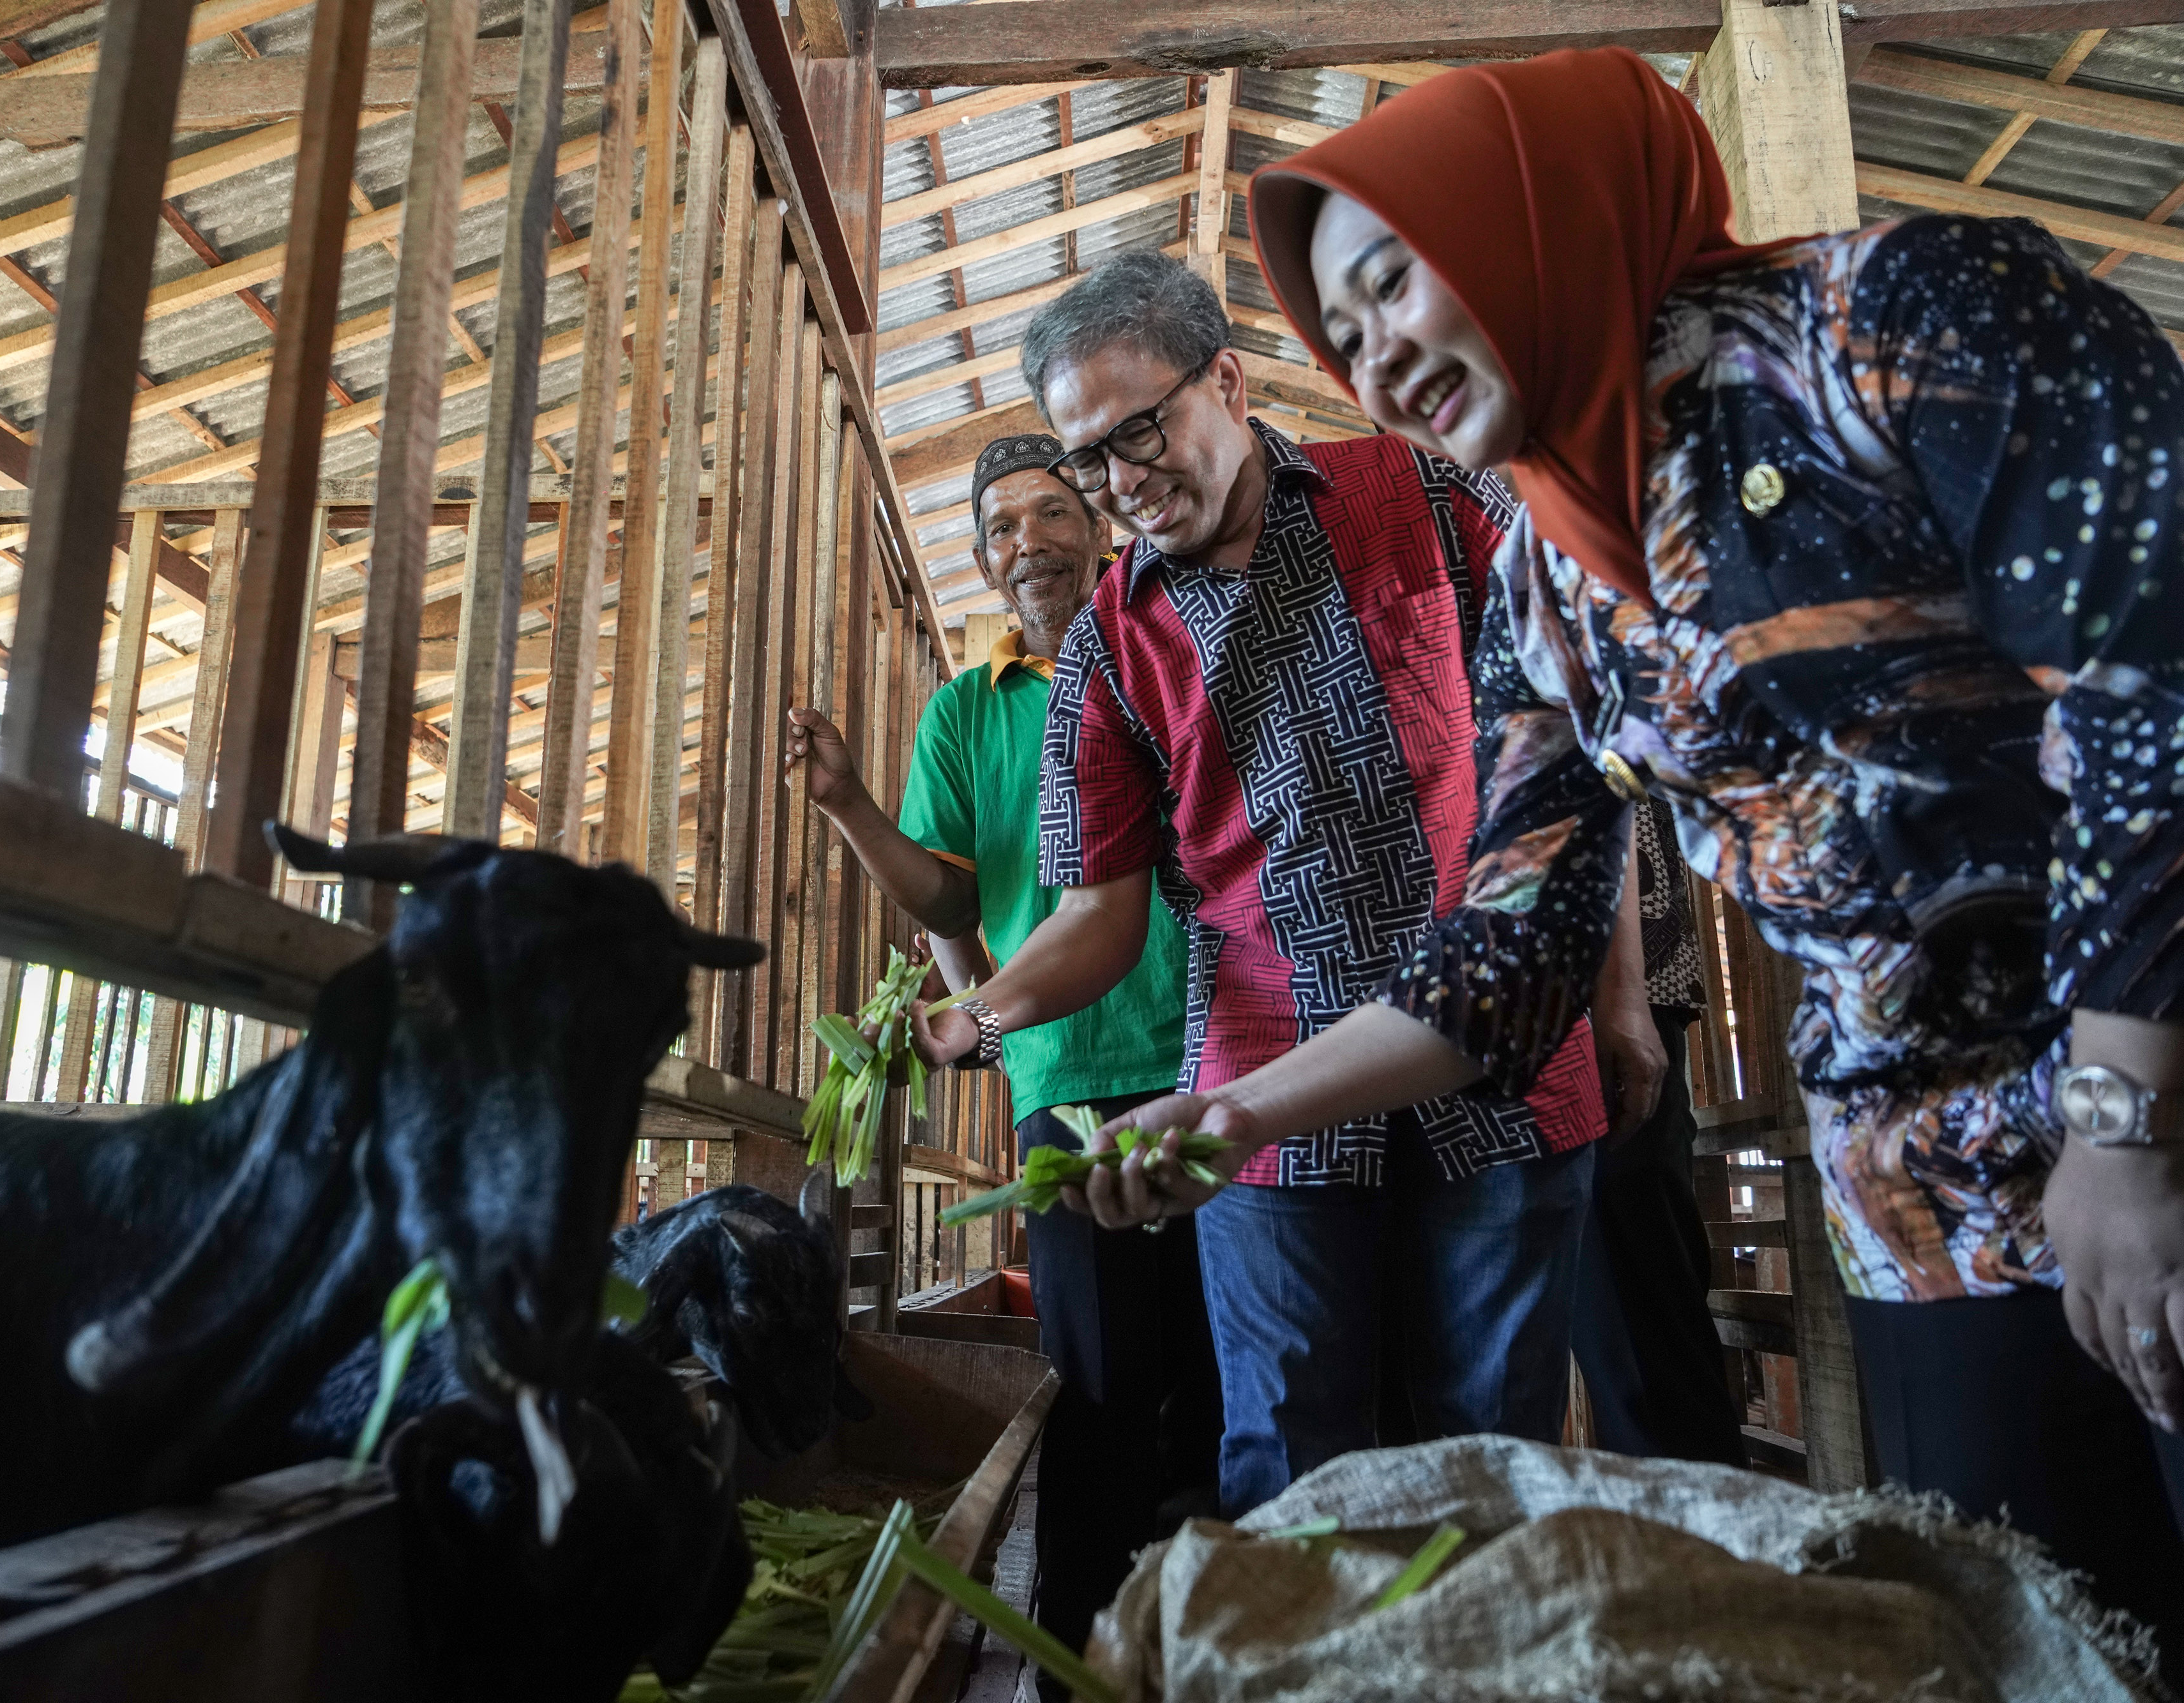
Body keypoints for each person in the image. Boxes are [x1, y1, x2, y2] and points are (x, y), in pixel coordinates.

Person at [1061, 47, 2184, 1637]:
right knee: (2055, 1640)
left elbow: (2159, 680)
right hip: (1931, 1212)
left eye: (1396, 282)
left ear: (1538, 215)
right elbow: (1504, 950)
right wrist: (1239, 1114)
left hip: (2144, 1105)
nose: (1378, 354)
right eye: (1346, 327)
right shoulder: (1547, 578)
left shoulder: (1898, 321)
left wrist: (2128, 1135)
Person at [912, 252, 1630, 1520]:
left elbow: (1575, 756)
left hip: (1501, 1063)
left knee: (1490, 1455)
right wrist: (987, 1010)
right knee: (1286, 1461)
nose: (1121, 484)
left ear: (1229, 381)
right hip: (1254, 1093)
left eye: (1140, 431)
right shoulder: (1104, 650)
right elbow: (1096, 914)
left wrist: (1614, 993)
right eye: (1091, 460)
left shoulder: (1425, 491)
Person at [781, 434, 1217, 1686]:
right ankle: (1075, 1652)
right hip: (1065, 1076)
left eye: (1048, 510)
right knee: (1093, 1379)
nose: (1024, 538)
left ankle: (1208, 1637)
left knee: (1218, 1365)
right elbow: (944, 890)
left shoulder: (1168, 643)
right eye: (999, 526)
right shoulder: (967, 710)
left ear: (1099, 523)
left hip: (1221, 1061)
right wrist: (851, 806)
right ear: (980, 558)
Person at [1571, 798, 1749, 1466]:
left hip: (1624, 967)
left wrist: (1623, 994)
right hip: (1452, 959)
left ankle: (1700, 1523)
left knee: (1636, 1260)